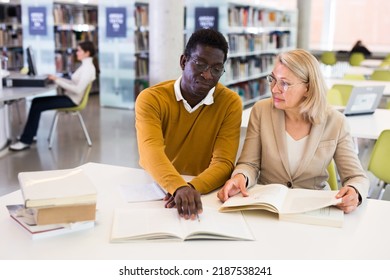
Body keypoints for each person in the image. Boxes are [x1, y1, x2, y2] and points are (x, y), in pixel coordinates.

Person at [217, 49, 369, 214]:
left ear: (308, 89)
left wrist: (354, 191)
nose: (274, 89)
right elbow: (249, 164)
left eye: (285, 83)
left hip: (314, 208)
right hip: (267, 204)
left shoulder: (336, 122)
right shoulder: (261, 111)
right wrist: (241, 177)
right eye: (272, 79)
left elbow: (356, 177)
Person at [135, 28, 242, 220]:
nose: (208, 75)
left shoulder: (230, 103)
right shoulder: (151, 98)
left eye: (217, 69)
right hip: (158, 188)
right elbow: (150, 150)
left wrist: (191, 188)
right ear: (184, 61)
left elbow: (224, 162)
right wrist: (177, 186)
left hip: (202, 191)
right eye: (200, 64)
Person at [9, 41, 97, 151]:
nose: (76, 53)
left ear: (87, 53)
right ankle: (30, 135)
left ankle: (25, 141)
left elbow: (78, 89)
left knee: (37, 104)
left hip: (72, 101)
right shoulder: (85, 66)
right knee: (37, 102)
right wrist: (57, 79)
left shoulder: (88, 68)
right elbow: (74, 83)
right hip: (70, 97)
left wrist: (57, 81)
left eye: (79, 50)